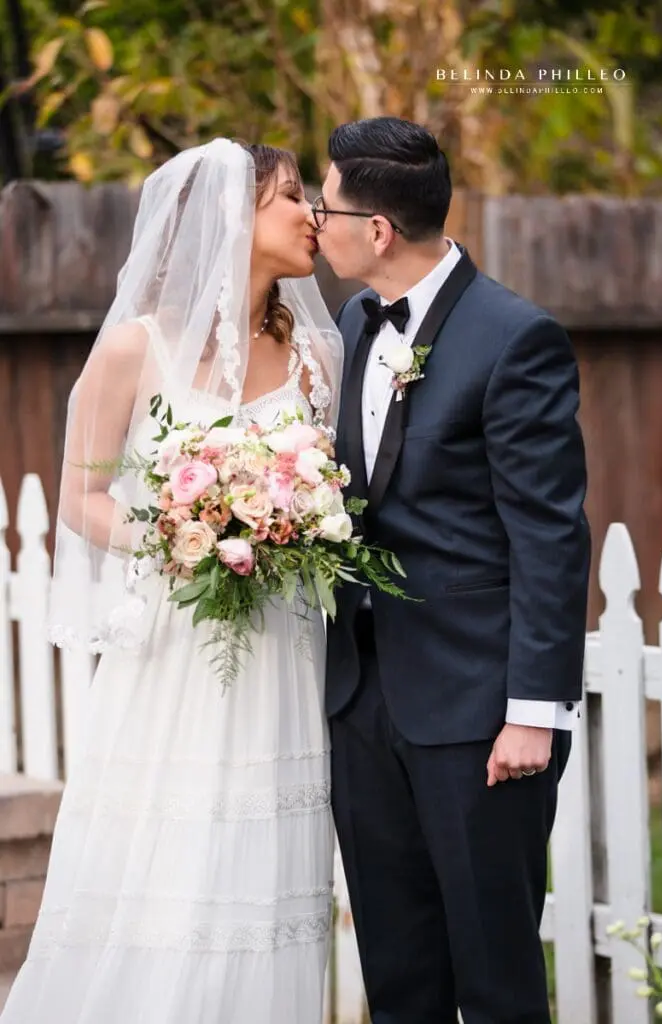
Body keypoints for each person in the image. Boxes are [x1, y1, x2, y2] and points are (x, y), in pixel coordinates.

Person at [1, 139, 343, 1024]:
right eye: (291, 197)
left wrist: (286, 524)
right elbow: (81, 493)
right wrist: (180, 538)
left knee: (261, 868)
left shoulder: (314, 357)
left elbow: (328, 493)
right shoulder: (134, 348)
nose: (312, 216)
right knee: (163, 856)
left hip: (277, 648)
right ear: (235, 218)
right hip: (174, 648)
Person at [317, 117, 591, 1024]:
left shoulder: (516, 337)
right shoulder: (357, 320)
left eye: (326, 208)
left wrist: (531, 714)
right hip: (363, 705)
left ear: (377, 231)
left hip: (479, 718)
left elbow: (549, 536)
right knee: (398, 976)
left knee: (496, 977)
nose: (318, 224)